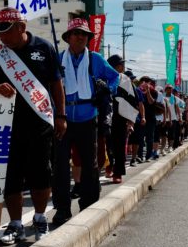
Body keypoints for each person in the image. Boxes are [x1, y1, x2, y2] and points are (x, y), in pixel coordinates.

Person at [0, 8, 66, 244]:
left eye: (7, 31)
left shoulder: (44, 48)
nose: (3, 37)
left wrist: (61, 115)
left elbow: (56, 84)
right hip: (6, 125)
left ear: (22, 27)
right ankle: (16, 224)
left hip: (39, 123)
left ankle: (40, 218)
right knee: (11, 176)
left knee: (41, 172)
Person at [52, 18, 119, 226]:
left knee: (90, 165)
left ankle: (88, 205)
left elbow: (115, 77)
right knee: (60, 166)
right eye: (76, 33)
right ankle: (62, 209)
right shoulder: (58, 58)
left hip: (88, 116)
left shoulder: (96, 59)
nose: (80, 37)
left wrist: (106, 89)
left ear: (88, 38)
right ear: (68, 37)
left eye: (84, 34)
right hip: (62, 118)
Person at [108, 55, 137, 184]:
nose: (123, 66)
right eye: (120, 64)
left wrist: (130, 120)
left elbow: (132, 100)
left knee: (119, 145)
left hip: (120, 116)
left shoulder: (125, 79)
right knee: (106, 144)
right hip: (105, 114)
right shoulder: (103, 76)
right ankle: (108, 165)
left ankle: (118, 172)